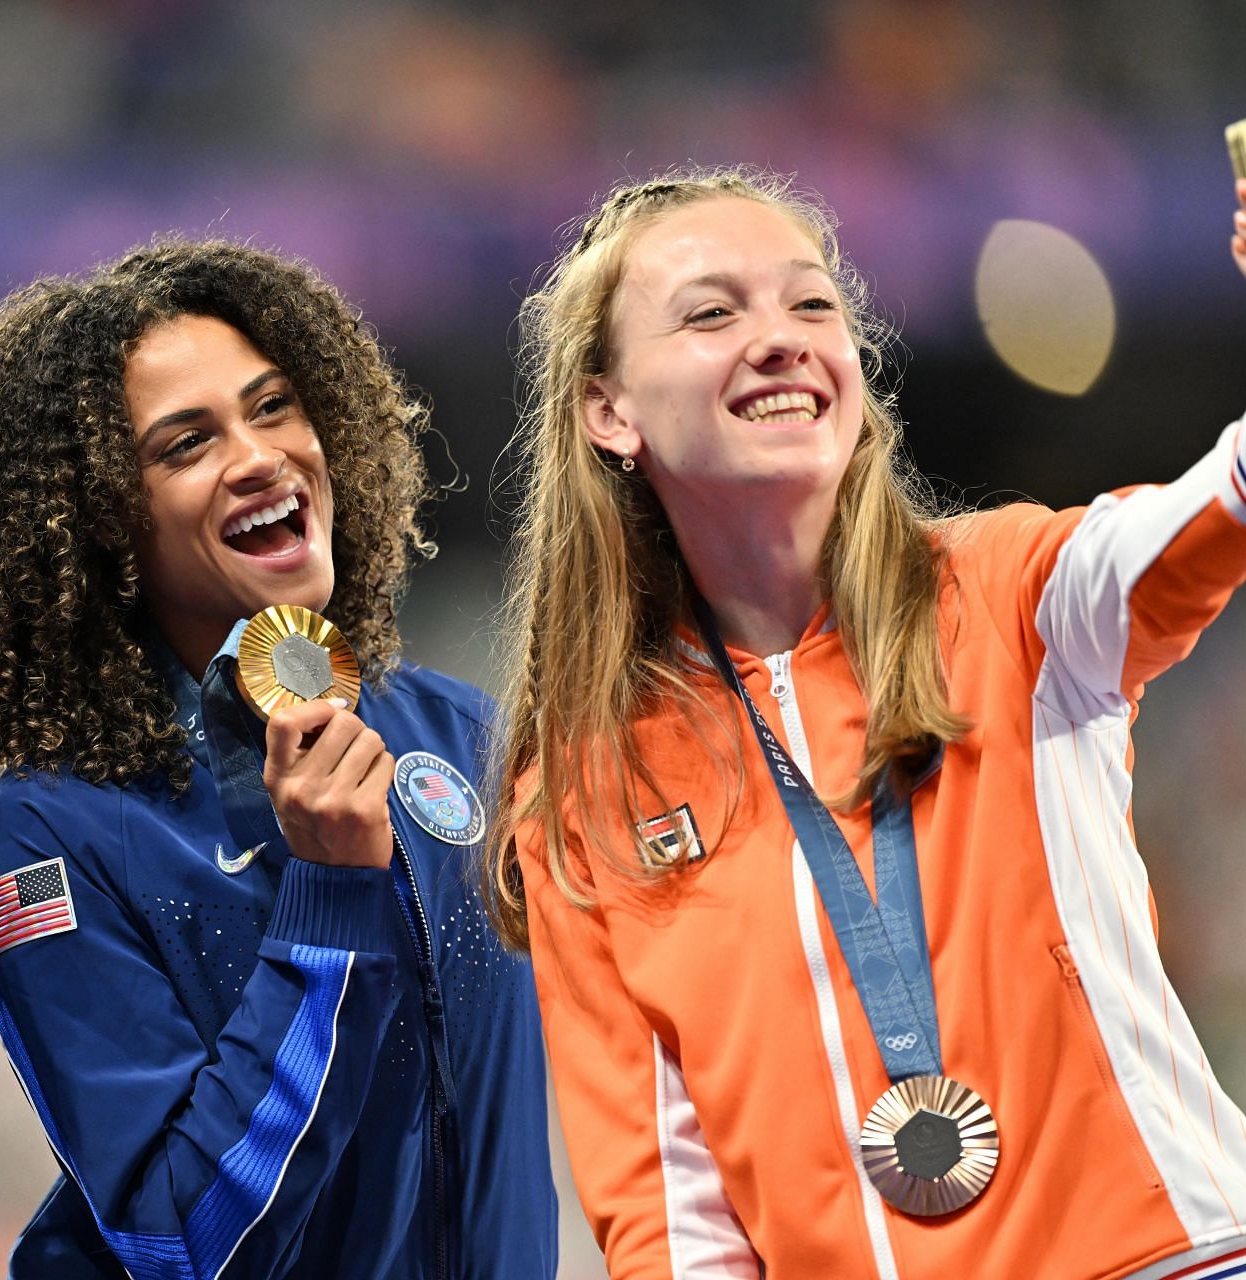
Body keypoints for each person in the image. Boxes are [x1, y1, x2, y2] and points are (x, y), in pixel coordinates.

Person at [486, 168, 1246, 1277]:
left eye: (811, 305)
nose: (782, 338)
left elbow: (1212, 513)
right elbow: (668, 1208)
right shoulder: (582, 785)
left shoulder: (1015, 599)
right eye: (711, 312)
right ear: (609, 410)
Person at [0, 240, 557, 1278]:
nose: (260, 455)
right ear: (99, 523)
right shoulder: (52, 836)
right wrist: (331, 900)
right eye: (185, 443)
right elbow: (185, 1239)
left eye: (274, 406)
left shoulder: (461, 735)